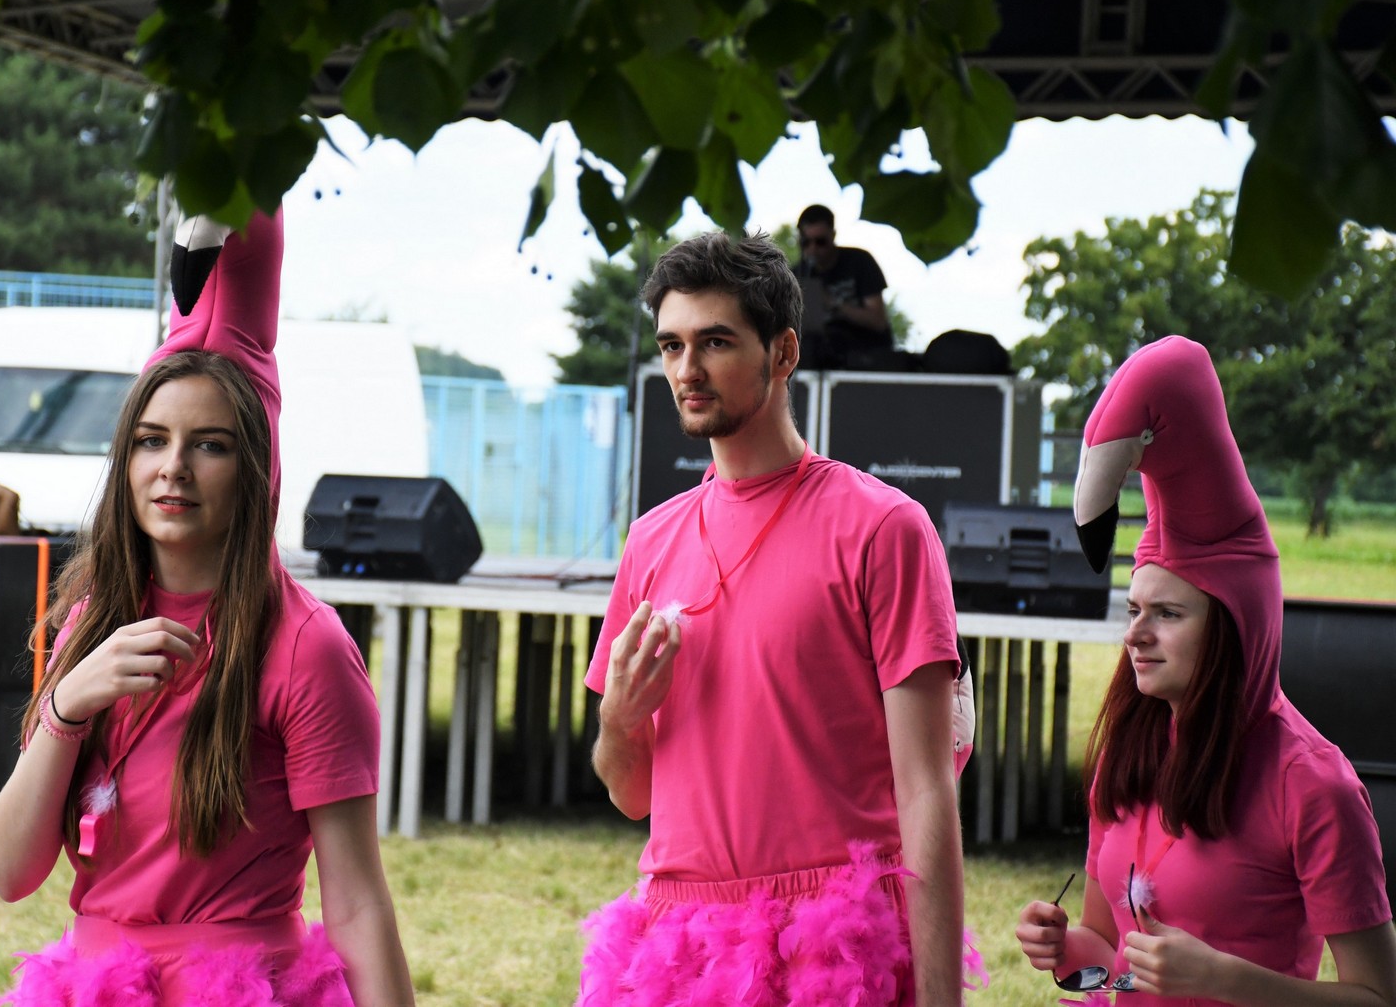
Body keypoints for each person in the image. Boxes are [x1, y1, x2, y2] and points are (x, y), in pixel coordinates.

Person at [0, 210, 414, 1007]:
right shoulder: (90, 621)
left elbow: (355, 899)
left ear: (253, 467)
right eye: (150, 439)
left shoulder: (306, 646)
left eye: (209, 444)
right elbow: (9, 872)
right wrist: (68, 704)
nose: (172, 467)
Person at [578, 231, 976, 1006]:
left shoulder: (883, 527)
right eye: (671, 345)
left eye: (715, 342)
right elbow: (632, 793)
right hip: (678, 946)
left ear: (783, 351)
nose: (686, 370)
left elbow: (927, 790)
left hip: (830, 945)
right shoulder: (651, 539)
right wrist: (620, 721)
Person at [1013, 336, 1396, 1007]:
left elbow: (1377, 994)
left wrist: (1226, 979)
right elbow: (1111, 964)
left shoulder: (1313, 785)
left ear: (1230, 625)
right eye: (1133, 608)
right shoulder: (1130, 755)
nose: (1135, 633)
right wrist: (1065, 950)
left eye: (1167, 613)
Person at [794, 204, 892, 369]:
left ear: (833, 236)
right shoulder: (797, 275)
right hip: (818, 359)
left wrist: (833, 303)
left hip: (864, 355)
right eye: (806, 242)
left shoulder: (859, 262)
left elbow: (878, 321)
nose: (813, 249)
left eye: (821, 242)